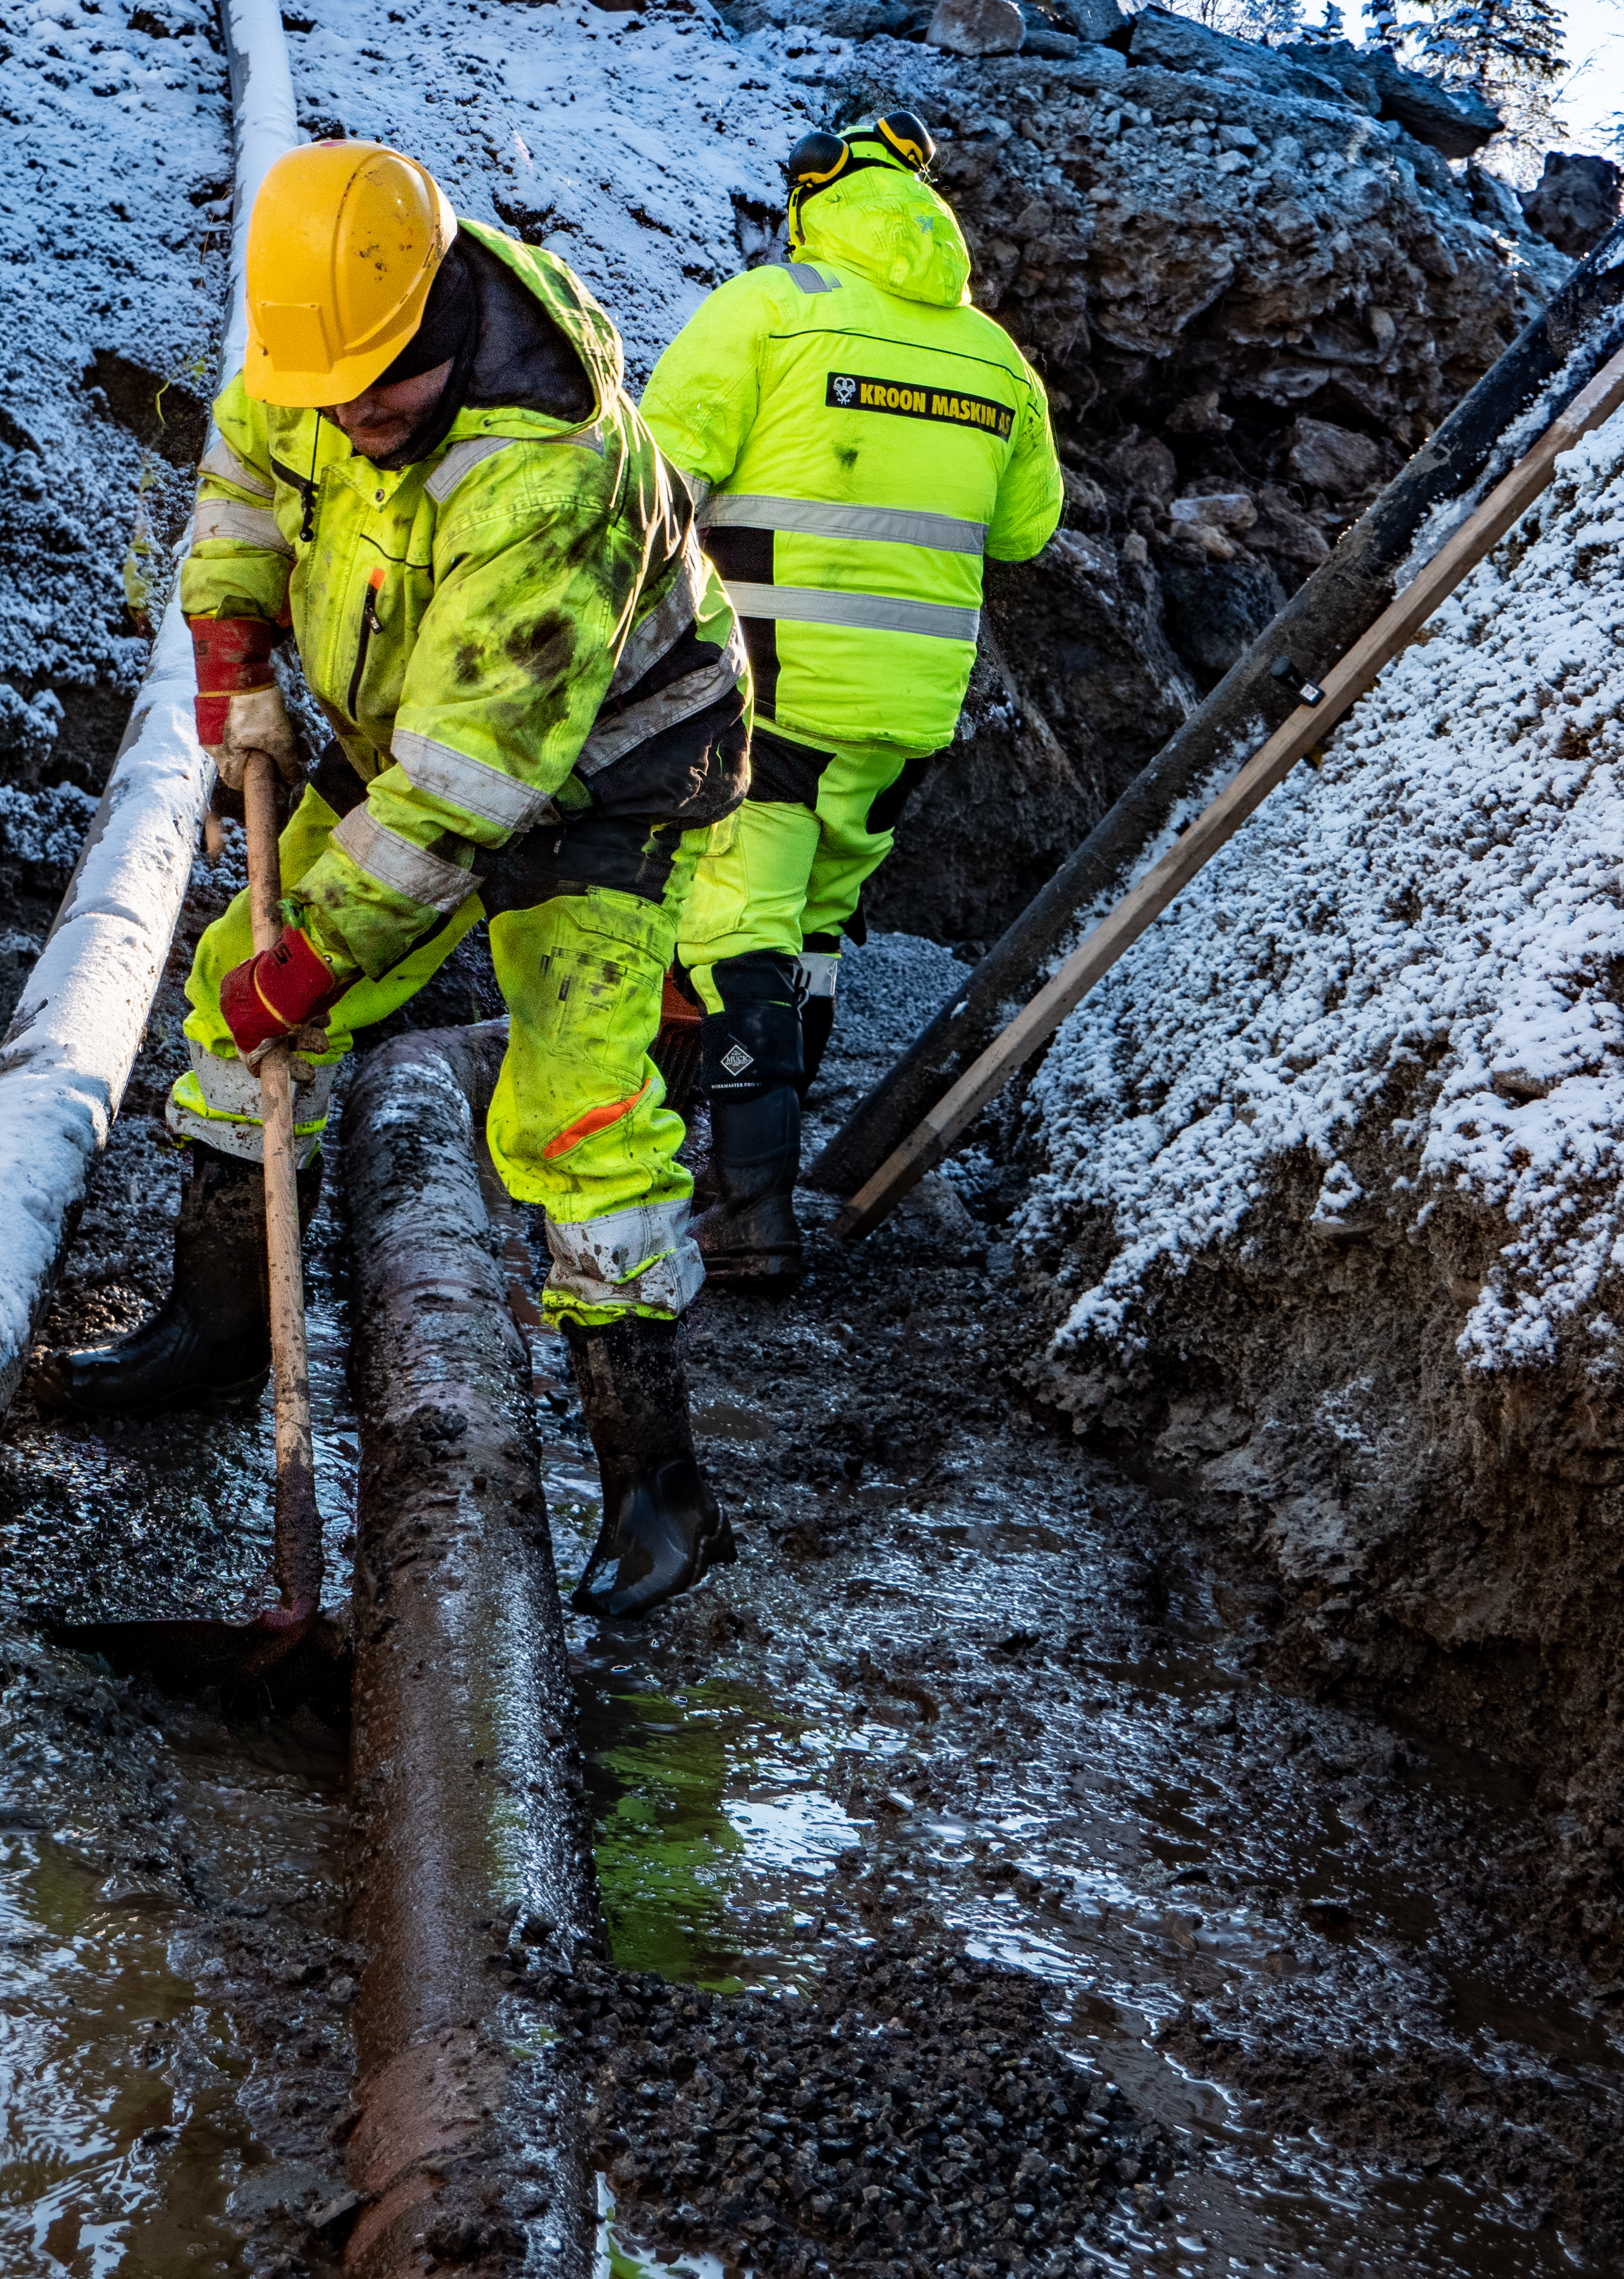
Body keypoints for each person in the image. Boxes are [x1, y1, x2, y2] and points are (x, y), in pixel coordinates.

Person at [60, 138, 752, 1620]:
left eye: (385, 393)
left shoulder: (547, 477)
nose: (356, 420)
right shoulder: (320, 343)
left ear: (440, 318)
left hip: (602, 780)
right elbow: (246, 481)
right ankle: (223, 1328)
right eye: (334, 396)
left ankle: (661, 1489)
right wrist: (231, 634)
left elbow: (464, 798)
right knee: (225, 1008)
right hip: (414, 734)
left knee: (576, 1111)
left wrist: (312, 956)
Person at [638, 109, 1064, 1286]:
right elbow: (1028, 529)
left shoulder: (770, 308)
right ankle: (743, 1173)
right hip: (904, 716)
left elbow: (654, 476)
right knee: (815, 930)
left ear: (811, 203)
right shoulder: (993, 356)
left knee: (734, 928)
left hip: (768, 693)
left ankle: (749, 1215)